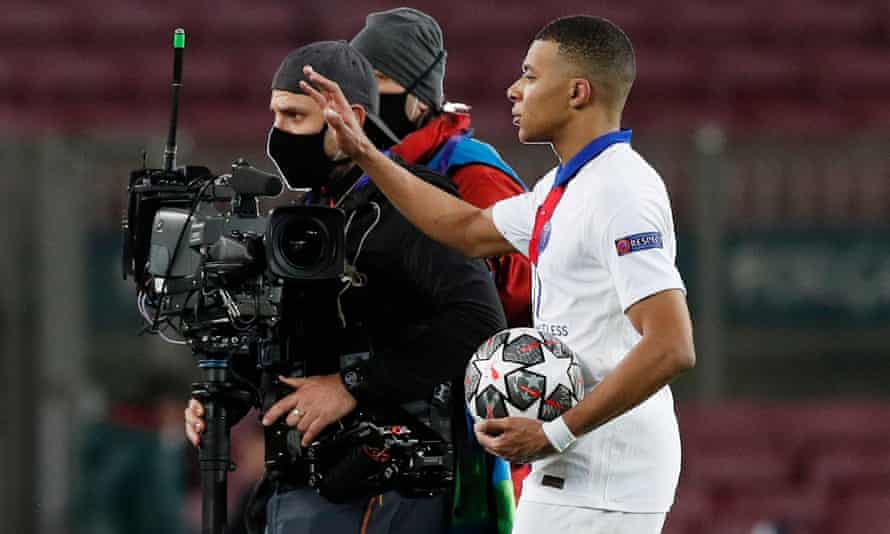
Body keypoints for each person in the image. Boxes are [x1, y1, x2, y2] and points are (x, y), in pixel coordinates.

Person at [298, 15, 696, 534]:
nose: (514, 89)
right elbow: (464, 229)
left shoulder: (621, 192)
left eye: (530, 76)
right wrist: (366, 153)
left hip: (606, 474)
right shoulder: (562, 186)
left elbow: (671, 345)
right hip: (571, 465)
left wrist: (554, 433)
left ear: (577, 92)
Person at [185, 41, 507, 534]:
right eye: (275, 116)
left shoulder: (411, 203)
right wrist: (225, 398)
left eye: (295, 116)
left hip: (391, 485)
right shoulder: (308, 217)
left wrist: (352, 386)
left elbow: (479, 323)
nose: (279, 134)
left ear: (349, 119)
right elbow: (286, 336)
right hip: (304, 481)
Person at [351, 7, 533, 330]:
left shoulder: (474, 172)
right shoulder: (362, 171)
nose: (364, 92)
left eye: (378, 78)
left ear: (421, 96)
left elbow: (521, 294)